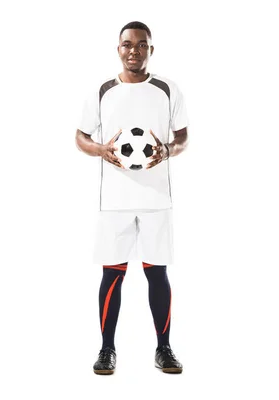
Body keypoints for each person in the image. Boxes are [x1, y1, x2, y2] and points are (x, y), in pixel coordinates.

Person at [75, 21, 189, 375]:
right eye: (128, 44)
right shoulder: (102, 90)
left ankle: (164, 349)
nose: (134, 50)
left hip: (156, 198)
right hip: (115, 199)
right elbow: (80, 136)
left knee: (158, 273)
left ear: (151, 50)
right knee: (113, 275)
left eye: (142, 45)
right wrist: (101, 149)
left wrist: (167, 150)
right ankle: (107, 349)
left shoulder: (168, 89)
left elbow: (183, 136)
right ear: (119, 49)